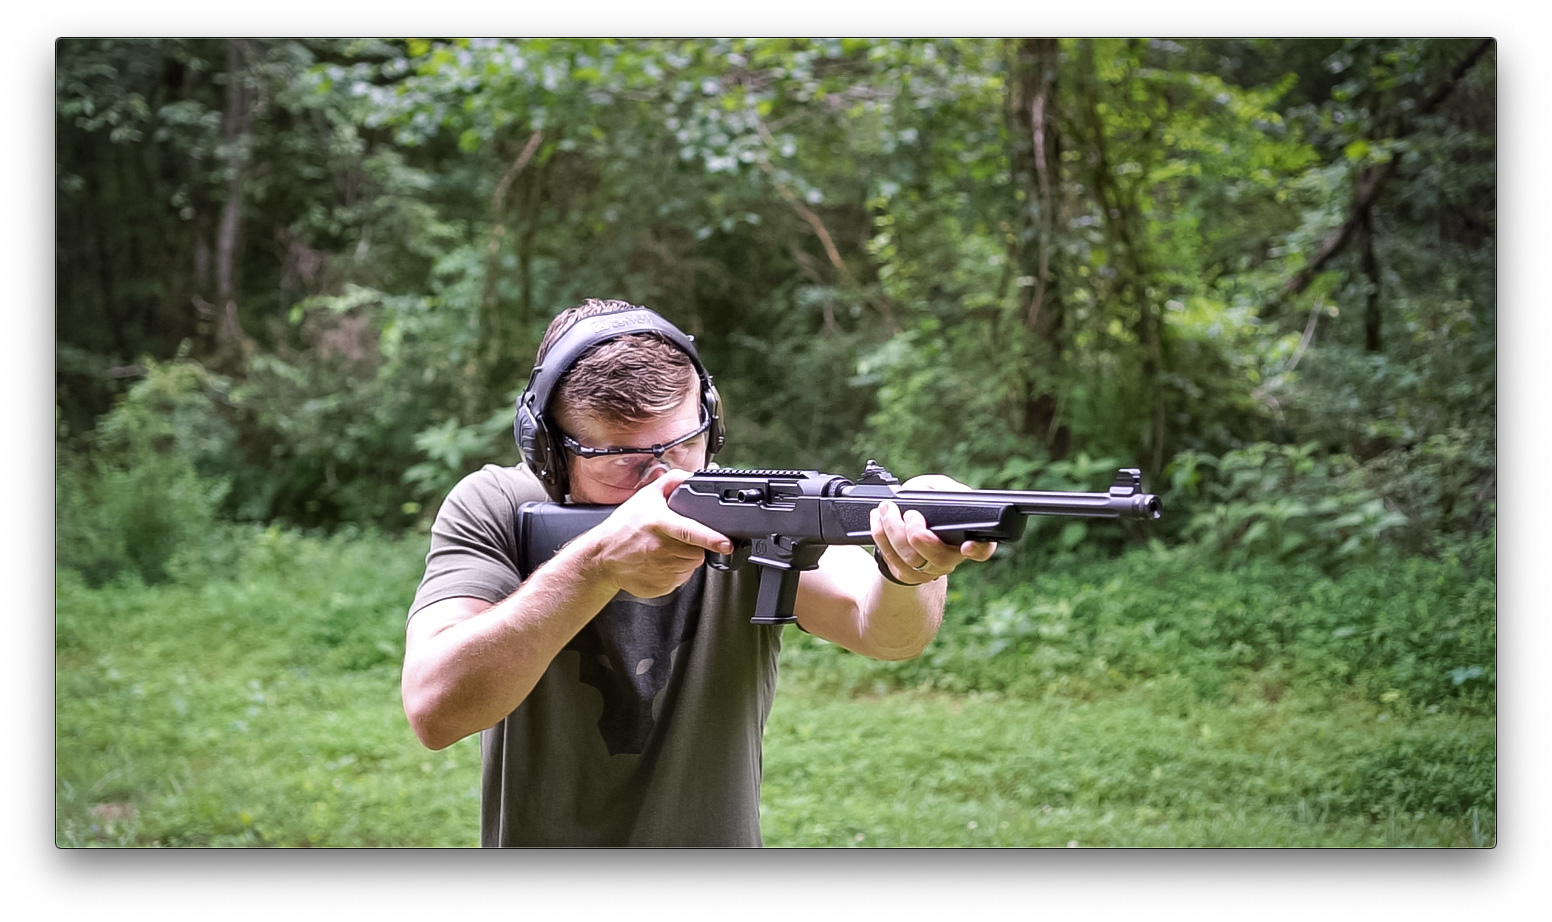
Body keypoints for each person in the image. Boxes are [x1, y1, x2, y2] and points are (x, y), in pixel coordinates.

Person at [400, 299, 995, 846]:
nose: (662, 480)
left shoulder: (745, 505)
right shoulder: (495, 505)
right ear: (550, 452)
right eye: (620, 460)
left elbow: (883, 631)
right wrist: (595, 565)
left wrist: (907, 568)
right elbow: (436, 709)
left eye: (682, 444)